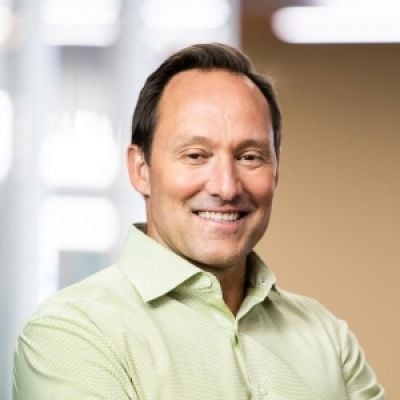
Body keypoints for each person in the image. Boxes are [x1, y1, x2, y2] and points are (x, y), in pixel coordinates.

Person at [13, 43, 384, 400]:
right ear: (140, 169)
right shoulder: (73, 332)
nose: (226, 186)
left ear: (276, 171)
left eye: (250, 156)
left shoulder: (327, 336)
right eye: (195, 155)